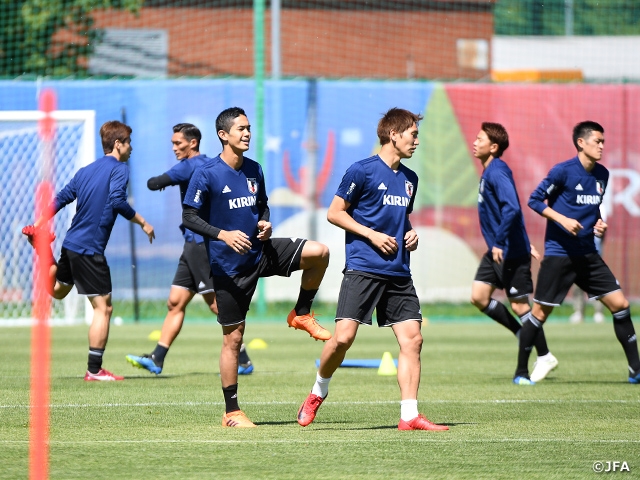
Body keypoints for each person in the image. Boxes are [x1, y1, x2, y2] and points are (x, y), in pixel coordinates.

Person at [296, 108, 448, 431]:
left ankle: (409, 415)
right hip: (363, 269)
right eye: (413, 134)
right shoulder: (361, 171)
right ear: (394, 135)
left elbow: (400, 218)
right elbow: (335, 213)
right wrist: (371, 234)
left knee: (413, 340)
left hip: (398, 273)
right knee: (343, 338)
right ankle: (317, 391)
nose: (416, 141)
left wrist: (410, 233)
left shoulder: (411, 180)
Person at [181, 107, 331, 428]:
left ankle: (301, 312)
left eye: (249, 128)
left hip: (260, 252)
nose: (247, 133)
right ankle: (232, 411)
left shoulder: (254, 169)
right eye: (241, 129)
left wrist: (264, 222)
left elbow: (261, 203)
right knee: (233, 340)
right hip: (229, 268)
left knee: (319, 252)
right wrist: (222, 234)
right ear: (223, 135)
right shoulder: (206, 173)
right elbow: (189, 216)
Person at [23, 120, 155, 381]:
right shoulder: (120, 169)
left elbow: (61, 198)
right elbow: (118, 200)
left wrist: (38, 225)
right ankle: (94, 370)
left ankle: (43, 249)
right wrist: (143, 222)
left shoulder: (85, 171)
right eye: (128, 142)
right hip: (89, 248)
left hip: (71, 243)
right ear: (118, 144)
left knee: (58, 291)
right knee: (103, 308)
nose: (131, 148)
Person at [125, 123, 254, 375]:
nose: (174, 148)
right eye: (173, 143)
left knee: (217, 304)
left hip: (201, 245)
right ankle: (157, 358)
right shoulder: (209, 163)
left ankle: (244, 359)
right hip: (192, 244)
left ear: (192, 143)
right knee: (175, 302)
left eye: (178, 143)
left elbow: (154, 183)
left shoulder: (189, 166)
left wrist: (152, 178)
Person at [518, 120, 640, 384]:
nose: (602, 146)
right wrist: (561, 220)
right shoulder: (562, 172)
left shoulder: (602, 175)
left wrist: (597, 221)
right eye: (597, 141)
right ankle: (520, 372)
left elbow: (592, 207)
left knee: (621, 305)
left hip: (587, 254)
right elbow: (534, 200)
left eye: (604, 141)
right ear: (580, 143)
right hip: (559, 253)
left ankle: (635, 370)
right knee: (539, 314)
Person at [469, 122, 557, 385]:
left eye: (480, 138)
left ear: (493, 147)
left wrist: (501, 242)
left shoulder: (497, 171)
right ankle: (523, 334)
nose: (475, 141)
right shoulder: (489, 172)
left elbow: (512, 209)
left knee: (520, 306)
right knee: (479, 296)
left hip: (507, 251)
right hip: (500, 249)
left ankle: (543, 356)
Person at [570, 206, 607, 324]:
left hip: (594, 252)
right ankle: (579, 312)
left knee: (597, 283)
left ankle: (598, 312)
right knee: (578, 284)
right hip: (578, 252)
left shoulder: (599, 206)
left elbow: (602, 231)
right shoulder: (577, 204)